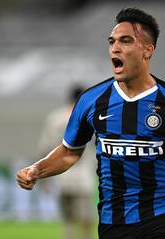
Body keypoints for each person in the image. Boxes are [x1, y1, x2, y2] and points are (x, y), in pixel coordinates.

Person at [16, 8, 165, 239]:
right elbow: (68, 152)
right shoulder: (91, 101)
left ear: (147, 50)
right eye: (112, 41)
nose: (115, 48)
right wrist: (37, 169)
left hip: (163, 215)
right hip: (112, 221)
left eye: (125, 41)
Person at [37, 85, 96, 239]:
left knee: (68, 220)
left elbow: (45, 148)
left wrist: (42, 176)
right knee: (86, 220)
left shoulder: (55, 118)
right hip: (83, 177)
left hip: (60, 175)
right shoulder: (90, 116)